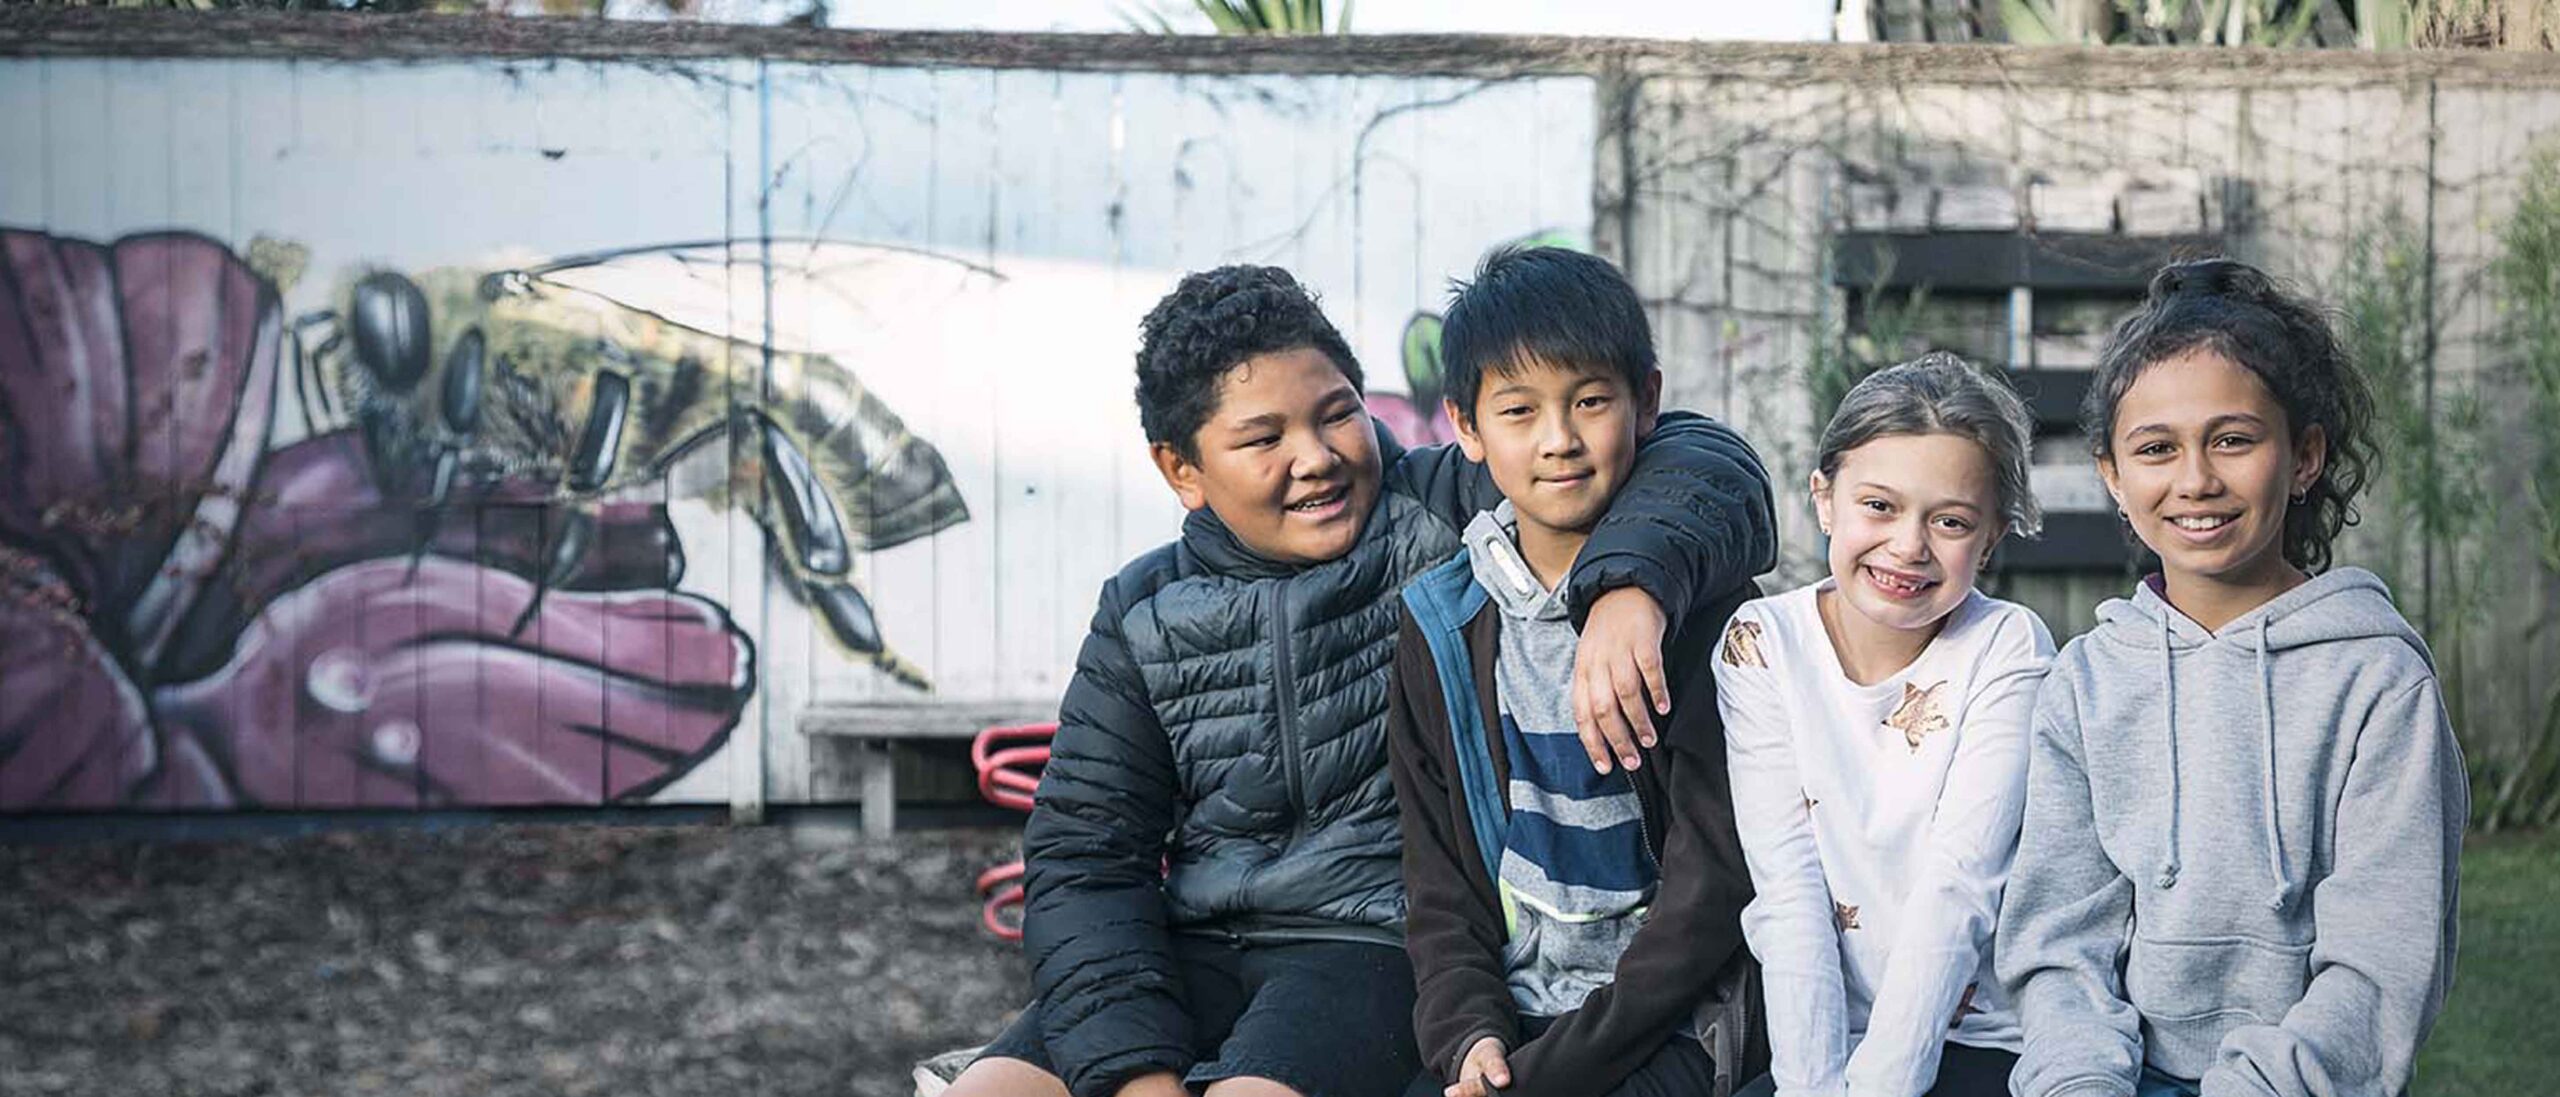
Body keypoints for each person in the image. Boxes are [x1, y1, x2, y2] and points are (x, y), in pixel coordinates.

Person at [942, 262, 1777, 1097]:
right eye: (1264, 439)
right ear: (1181, 470)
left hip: (1368, 944)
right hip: (1191, 939)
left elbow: (1695, 459)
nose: (1315, 458)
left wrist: (1634, 583)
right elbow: (1087, 856)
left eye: (1337, 414)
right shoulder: (1144, 611)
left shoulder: (1442, 509)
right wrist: (1132, 1074)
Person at [1997, 258, 2466, 1097]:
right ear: (2112, 474)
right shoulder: (2088, 681)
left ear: (2304, 457)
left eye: (2233, 439)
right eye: (2155, 448)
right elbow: (2060, 947)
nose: (2196, 480)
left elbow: (2381, 966)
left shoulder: (2378, 682)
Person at [1387, 246, 1764, 1097]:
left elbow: (1714, 883)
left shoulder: (1709, 613)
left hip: (1682, 1019)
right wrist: (1468, 1031)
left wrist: (1549, 1071)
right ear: (1467, 427)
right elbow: (1438, 876)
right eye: (1519, 410)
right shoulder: (1442, 624)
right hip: (1517, 1010)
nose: (1559, 440)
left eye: (1590, 401)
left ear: (1648, 402)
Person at [1717, 353, 2056, 1097]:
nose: (1909, 545)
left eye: (1951, 520)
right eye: (1879, 506)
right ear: (1825, 498)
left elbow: (1959, 884)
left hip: (1974, 1036)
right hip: (1819, 1041)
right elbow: (1788, 886)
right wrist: (1809, 1086)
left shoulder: (2009, 647)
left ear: (1992, 537)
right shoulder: (1760, 643)